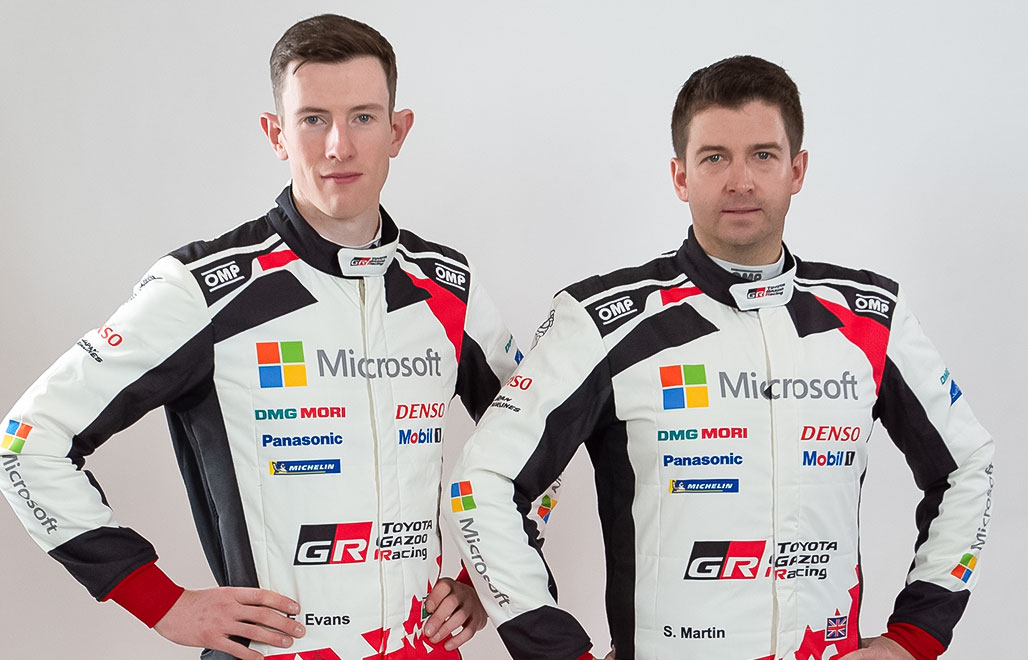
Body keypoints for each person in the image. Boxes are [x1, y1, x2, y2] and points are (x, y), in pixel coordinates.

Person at [0, 14, 526, 660]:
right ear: (276, 134)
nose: (339, 146)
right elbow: (26, 442)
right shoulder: (203, 291)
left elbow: (540, 443)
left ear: (398, 131)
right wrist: (159, 601)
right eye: (313, 119)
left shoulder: (450, 288)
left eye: (363, 117)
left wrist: (485, 579)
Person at [444, 55, 994, 660]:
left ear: (796, 170)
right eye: (714, 158)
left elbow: (968, 465)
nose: (741, 181)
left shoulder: (871, 316)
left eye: (763, 155)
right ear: (680, 176)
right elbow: (482, 481)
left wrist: (915, 636)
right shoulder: (602, 320)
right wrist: (556, 650)